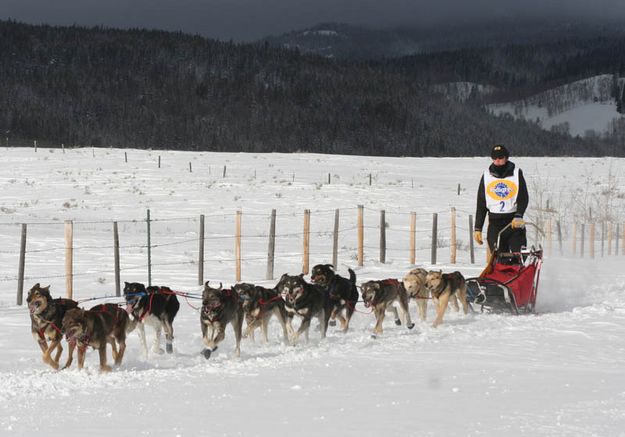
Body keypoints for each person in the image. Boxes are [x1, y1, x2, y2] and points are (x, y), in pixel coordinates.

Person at [473, 144, 528, 253]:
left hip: (513, 223)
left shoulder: (516, 174)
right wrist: (478, 228)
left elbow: (523, 197)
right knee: (499, 258)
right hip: (495, 224)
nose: (497, 161)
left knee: (518, 255)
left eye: (500, 158)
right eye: (494, 158)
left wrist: (519, 215)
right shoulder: (486, 176)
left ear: (506, 158)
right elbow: (481, 204)